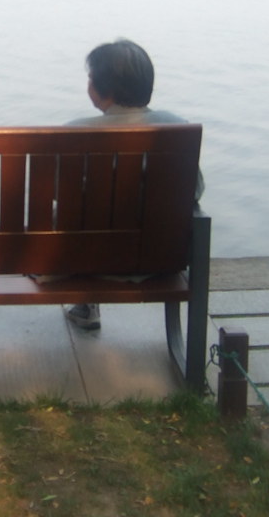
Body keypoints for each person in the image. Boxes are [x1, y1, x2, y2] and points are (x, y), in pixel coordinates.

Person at [64, 39, 205, 331]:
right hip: (160, 259)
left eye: (90, 78)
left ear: (101, 90)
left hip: (86, 259)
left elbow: (57, 194)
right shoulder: (177, 127)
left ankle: (87, 303)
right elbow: (196, 190)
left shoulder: (74, 133)